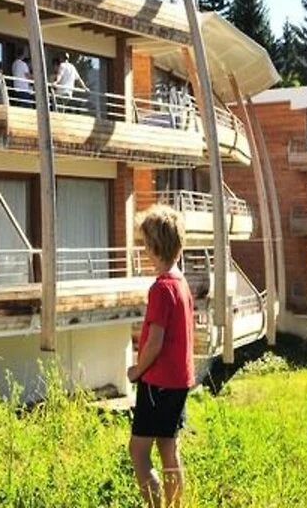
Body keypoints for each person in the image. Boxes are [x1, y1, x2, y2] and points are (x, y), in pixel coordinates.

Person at [127, 204, 194, 508]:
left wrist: (136, 371)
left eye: (144, 244)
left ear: (154, 246)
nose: (144, 250)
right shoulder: (181, 284)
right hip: (179, 381)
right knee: (169, 448)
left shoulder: (161, 288)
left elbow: (155, 342)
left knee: (138, 451)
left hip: (158, 383)